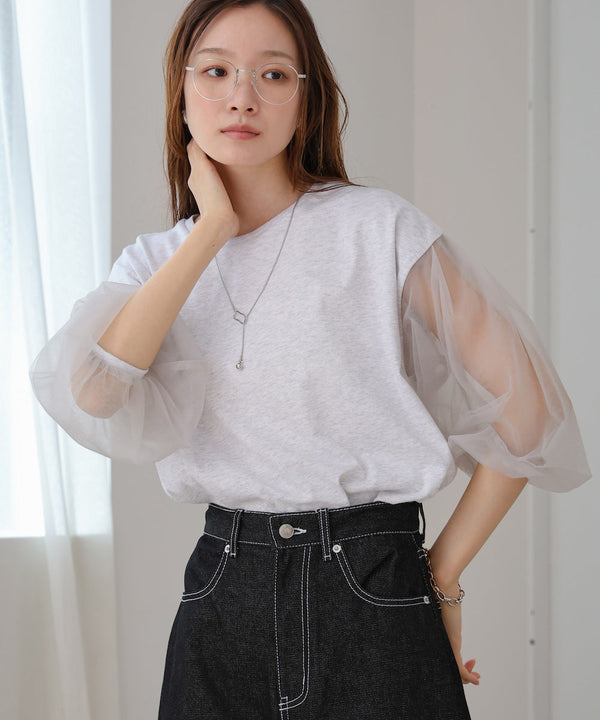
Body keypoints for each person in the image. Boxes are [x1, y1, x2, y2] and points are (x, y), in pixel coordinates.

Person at [29, 0, 591, 718]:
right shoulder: (153, 264)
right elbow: (96, 393)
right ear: (181, 91)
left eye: (273, 74)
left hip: (374, 585)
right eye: (216, 72)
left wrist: (442, 575)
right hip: (222, 594)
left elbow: (529, 412)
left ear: (306, 98)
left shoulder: (377, 228)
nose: (242, 96)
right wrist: (212, 230)